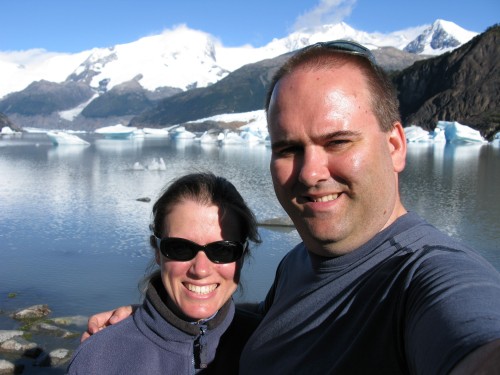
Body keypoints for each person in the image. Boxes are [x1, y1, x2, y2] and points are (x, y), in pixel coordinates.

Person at [84, 41, 500, 374]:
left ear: (394, 146)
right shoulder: (300, 263)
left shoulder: (423, 276)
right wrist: (157, 322)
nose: (310, 173)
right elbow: (275, 323)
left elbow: (473, 335)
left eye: (337, 141)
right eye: (288, 148)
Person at [68, 172, 261, 374]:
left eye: (222, 250)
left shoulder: (271, 347)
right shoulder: (99, 358)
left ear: (242, 255)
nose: (200, 269)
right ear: (157, 251)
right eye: (180, 248)